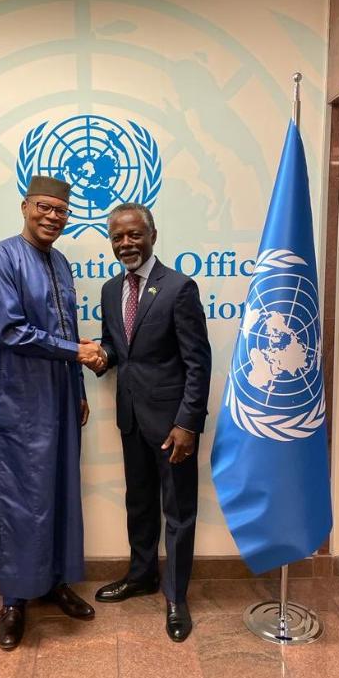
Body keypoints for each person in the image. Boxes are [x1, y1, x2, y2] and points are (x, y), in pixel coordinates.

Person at [0, 175, 105, 650]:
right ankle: (13, 601)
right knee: (17, 500)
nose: (53, 216)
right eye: (44, 207)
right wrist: (76, 354)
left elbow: (67, 329)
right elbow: (10, 331)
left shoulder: (62, 263)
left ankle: (53, 582)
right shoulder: (0, 258)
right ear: (25, 206)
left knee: (59, 492)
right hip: (16, 403)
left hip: (60, 399)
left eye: (61, 210)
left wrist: (78, 388)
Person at [88, 202, 212, 642]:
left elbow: (198, 362)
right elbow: (117, 348)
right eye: (118, 237)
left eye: (134, 234)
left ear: (152, 236)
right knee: (138, 504)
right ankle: (141, 575)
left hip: (172, 426)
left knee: (178, 511)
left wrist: (188, 424)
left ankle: (176, 596)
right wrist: (100, 356)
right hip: (131, 420)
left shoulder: (179, 288)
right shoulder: (109, 290)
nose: (126, 243)